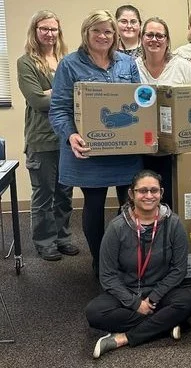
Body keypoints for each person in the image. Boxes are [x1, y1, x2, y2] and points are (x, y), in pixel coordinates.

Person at [49, 10, 142, 276]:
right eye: (97, 31)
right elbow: (58, 109)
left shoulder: (127, 63)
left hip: (125, 149)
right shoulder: (69, 65)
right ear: (86, 34)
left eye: (108, 31)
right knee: (94, 204)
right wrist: (70, 134)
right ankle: (100, 261)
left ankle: (123, 256)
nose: (103, 36)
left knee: (131, 205)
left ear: (115, 35)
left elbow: (139, 103)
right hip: (92, 149)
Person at [86, 170, 191, 358]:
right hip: (126, 290)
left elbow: (178, 269)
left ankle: (122, 338)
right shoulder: (116, 227)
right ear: (131, 194)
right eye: (142, 191)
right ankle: (166, 324)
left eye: (154, 190)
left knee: (188, 302)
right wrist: (135, 303)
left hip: (162, 291)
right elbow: (107, 275)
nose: (148, 195)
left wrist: (152, 299)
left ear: (161, 193)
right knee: (94, 313)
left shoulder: (174, 224)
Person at [16, 10, 78, 261]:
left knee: (64, 192)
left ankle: (63, 237)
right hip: (41, 139)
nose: (49, 33)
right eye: (44, 28)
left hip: (66, 136)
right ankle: (44, 241)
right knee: (44, 194)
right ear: (35, 30)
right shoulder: (26, 62)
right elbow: (37, 100)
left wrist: (55, 92)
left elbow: (82, 94)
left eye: (53, 29)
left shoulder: (66, 59)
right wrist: (64, 92)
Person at [135, 17, 191, 85]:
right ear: (142, 39)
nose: (154, 39)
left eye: (160, 36)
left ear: (167, 41)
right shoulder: (134, 67)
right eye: (149, 35)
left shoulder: (183, 68)